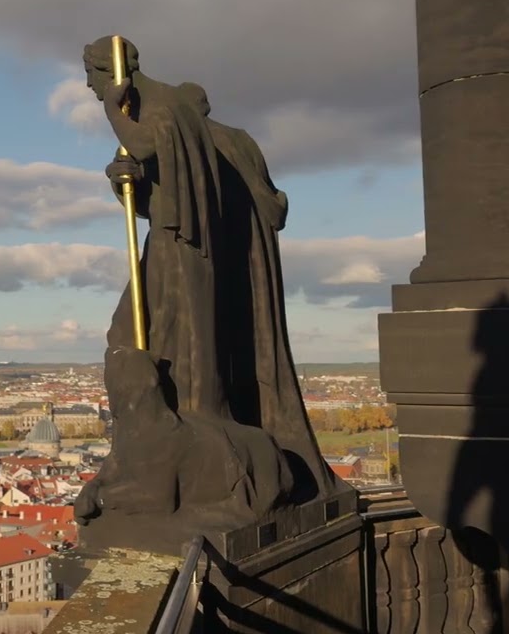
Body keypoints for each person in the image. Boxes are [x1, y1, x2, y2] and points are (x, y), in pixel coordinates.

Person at [85, 36, 340, 502]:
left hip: (181, 251)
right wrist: (130, 184)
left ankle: (179, 455)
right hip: (212, 260)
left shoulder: (166, 111)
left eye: (92, 78)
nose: (89, 86)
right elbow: (180, 191)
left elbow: (157, 161)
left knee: (138, 339)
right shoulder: (227, 138)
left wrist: (112, 111)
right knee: (163, 342)